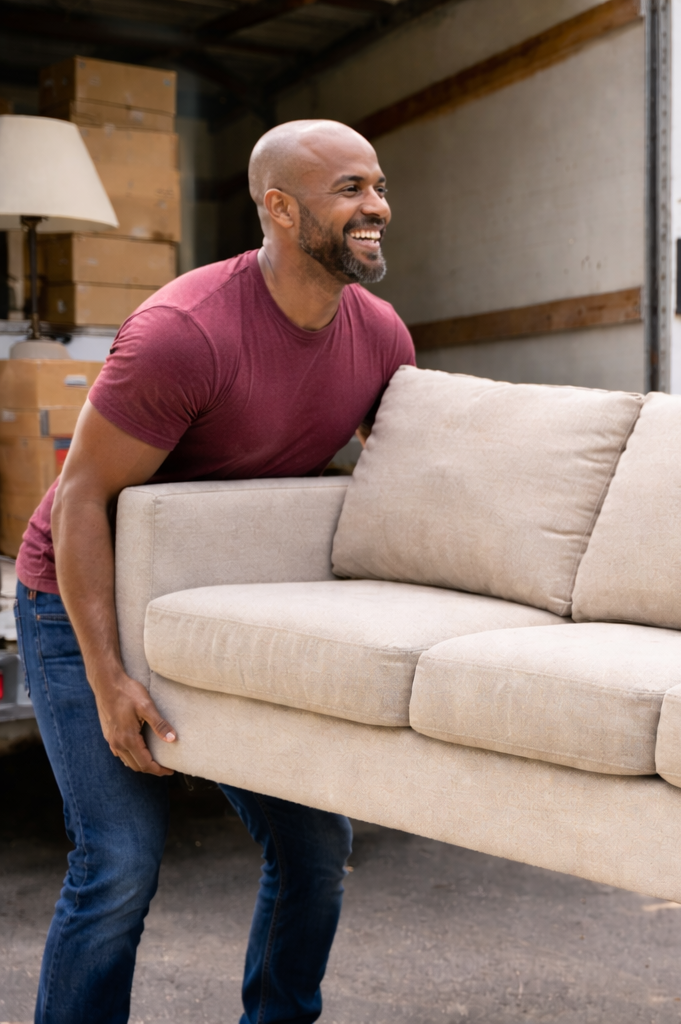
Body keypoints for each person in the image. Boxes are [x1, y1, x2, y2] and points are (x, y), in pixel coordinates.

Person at [19, 119, 415, 1024]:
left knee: (315, 847)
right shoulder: (183, 334)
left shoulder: (381, 338)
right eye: (350, 189)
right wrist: (108, 675)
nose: (378, 207)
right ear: (278, 208)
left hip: (220, 611)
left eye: (379, 186)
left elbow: (396, 497)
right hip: (84, 600)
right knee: (117, 862)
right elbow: (81, 500)